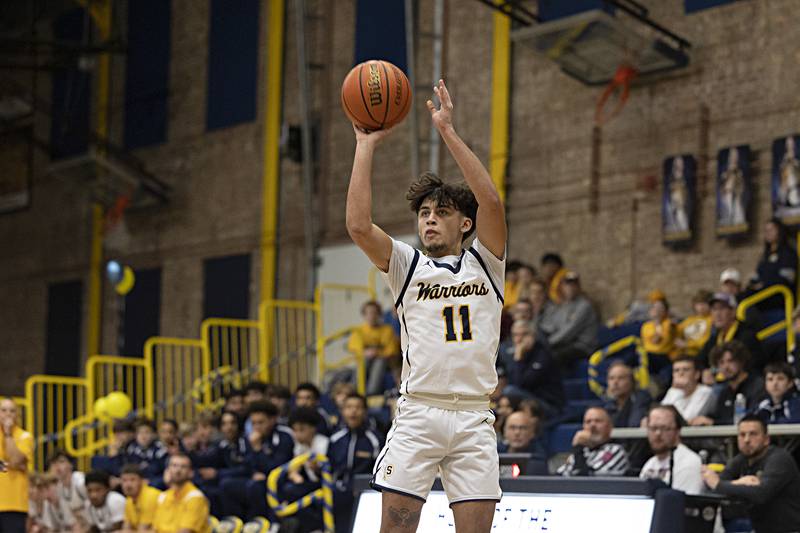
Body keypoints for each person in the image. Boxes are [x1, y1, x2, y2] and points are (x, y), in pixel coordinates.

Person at [347, 78, 506, 533]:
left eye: (441, 212)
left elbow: (492, 200)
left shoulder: (487, 263)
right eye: (424, 213)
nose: (430, 218)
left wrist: (447, 131)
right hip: (419, 411)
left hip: (475, 415)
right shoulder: (405, 264)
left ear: (466, 224)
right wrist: (365, 144)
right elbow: (358, 226)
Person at [701, 415, 800, 533]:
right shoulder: (741, 459)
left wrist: (719, 485)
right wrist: (738, 482)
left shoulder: (779, 459)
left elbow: (761, 494)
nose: (747, 440)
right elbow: (714, 488)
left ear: (766, 439)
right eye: (742, 435)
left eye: (753, 434)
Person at [219, 401, 293, 521]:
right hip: (257, 479)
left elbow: (277, 466)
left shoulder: (284, 436)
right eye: (253, 423)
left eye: (261, 422)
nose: (257, 427)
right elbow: (247, 463)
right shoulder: (251, 438)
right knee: (226, 484)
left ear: (273, 420)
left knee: (255, 487)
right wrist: (254, 472)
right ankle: (236, 523)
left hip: (280, 480)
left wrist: (258, 449)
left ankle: (261, 523)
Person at [329, 393, 384, 533]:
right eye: (349, 407)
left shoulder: (375, 439)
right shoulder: (335, 438)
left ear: (365, 412)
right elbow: (329, 468)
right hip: (339, 493)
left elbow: (380, 471)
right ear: (342, 411)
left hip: (366, 494)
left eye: (358, 407)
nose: (353, 411)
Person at [499, 320, 564, 419]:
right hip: (527, 400)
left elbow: (521, 384)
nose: (519, 339)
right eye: (515, 335)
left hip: (549, 405)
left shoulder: (543, 354)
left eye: (524, 334)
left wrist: (518, 359)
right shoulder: (512, 353)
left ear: (533, 336)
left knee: (509, 391)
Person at [691, 341, 765, 426]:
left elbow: (751, 419)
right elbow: (716, 416)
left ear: (741, 362)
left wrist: (713, 423)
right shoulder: (724, 391)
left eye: (730, 361)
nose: (726, 367)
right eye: (721, 363)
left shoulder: (757, 386)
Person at [538, 271, 599, 368]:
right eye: (567, 285)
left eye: (574, 285)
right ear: (562, 287)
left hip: (583, 346)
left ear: (579, 287)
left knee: (552, 356)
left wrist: (547, 343)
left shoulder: (584, 306)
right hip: (567, 344)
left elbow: (569, 332)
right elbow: (553, 326)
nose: (570, 288)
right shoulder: (564, 305)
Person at [639, 406, 704, 494]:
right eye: (653, 428)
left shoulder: (689, 462)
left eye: (664, 428)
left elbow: (682, 503)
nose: (658, 433)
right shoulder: (650, 463)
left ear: (677, 431)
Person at [697, 292, 765, 376]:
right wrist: (705, 371)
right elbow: (699, 360)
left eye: (722, 309)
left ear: (733, 312)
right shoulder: (715, 338)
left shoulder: (746, 335)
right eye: (714, 309)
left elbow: (751, 365)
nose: (717, 314)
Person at [346, 300, 401, 395]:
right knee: (364, 360)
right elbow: (355, 348)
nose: (372, 316)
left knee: (380, 361)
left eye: (375, 313)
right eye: (369, 313)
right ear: (364, 315)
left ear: (379, 315)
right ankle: (356, 390)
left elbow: (392, 350)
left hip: (385, 362)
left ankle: (372, 392)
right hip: (366, 360)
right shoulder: (359, 331)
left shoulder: (387, 330)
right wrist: (366, 353)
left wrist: (377, 353)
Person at [557, 407, 629, 477]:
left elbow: (585, 480)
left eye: (598, 421)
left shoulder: (616, 451)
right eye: (588, 422)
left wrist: (578, 447)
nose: (592, 425)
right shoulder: (582, 452)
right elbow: (557, 477)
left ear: (609, 427)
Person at [152, 454, 211, 533]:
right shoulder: (163, 496)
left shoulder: (195, 497)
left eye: (183, 467)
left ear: (191, 473)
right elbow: (155, 529)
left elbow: (185, 531)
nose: (178, 470)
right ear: (167, 470)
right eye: (174, 465)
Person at [0, 398, 34, 533]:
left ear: (17, 415)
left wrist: (8, 434)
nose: (8, 414)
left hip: (14, 504)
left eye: (12, 411)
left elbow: (14, 461)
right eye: (3, 410)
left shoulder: (25, 436)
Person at [748, 217, 798, 302]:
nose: (768, 233)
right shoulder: (765, 256)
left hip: (780, 304)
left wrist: (764, 284)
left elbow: (787, 279)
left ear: (780, 231)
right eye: (766, 230)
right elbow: (756, 277)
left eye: (771, 229)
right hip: (762, 302)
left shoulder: (788, 253)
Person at [660, 356, 715, 422]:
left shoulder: (705, 391)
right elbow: (661, 417)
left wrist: (681, 390)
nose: (680, 373)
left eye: (686, 370)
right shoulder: (673, 391)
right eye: (676, 370)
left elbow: (685, 419)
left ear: (696, 374)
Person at [639, 294, 677, 384]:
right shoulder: (646, 326)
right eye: (654, 307)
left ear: (665, 311)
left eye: (660, 307)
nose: (657, 310)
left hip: (665, 356)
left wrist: (660, 322)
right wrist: (657, 323)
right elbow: (655, 340)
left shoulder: (669, 324)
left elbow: (664, 336)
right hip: (650, 356)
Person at [496, 411, 547, 475]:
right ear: (504, 432)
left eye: (523, 428)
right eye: (512, 427)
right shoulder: (494, 454)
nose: (517, 432)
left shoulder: (539, 460)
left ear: (532, 433)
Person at [603, 361, 651, 428]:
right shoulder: (609, 405)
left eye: (621, 378)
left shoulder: (642, 398)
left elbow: (634, 424)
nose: (615, 382)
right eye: (611, 378)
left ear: (631, 381)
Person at [48, 450, 88, 528]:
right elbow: (70, 521)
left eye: (61, 462)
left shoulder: (81, 482)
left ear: (71, 465)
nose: (57, 466)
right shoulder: (59, 488)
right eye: (53, 463)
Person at [120, 464, 161, 532]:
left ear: (142, 481)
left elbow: (143, 529)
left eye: (132, 480)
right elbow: (126, 527)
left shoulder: (150, 495)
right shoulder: (129, 499)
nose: (128, 485)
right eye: (124, 480)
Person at [675, 290, 712, 357]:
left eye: (704, 303)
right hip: (684, 355)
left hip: (702, 355)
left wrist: (687, 344)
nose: (701, 307)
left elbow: (706, 342)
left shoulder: (712, 320)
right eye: (698, 303)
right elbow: (676, 331)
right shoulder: (689, 320)